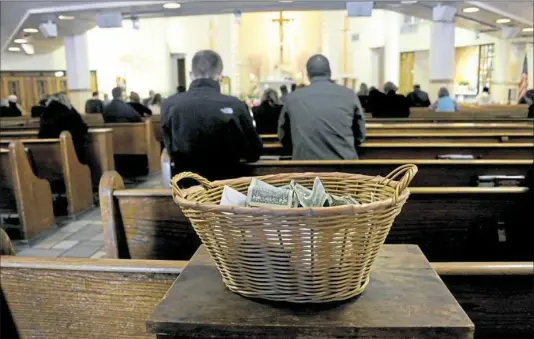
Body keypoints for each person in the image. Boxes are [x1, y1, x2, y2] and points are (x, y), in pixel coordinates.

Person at [162, 50, 262, 180]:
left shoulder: (170, 104)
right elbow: (254, 152)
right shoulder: (235, 105)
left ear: (191, 75)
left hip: (186, 190)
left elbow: (170, 148)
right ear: (220, 76)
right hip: (228, 189)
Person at [278, 54, 366, 160]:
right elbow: (360, 135)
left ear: (308, 74)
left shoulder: (292, 98)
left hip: (305, 168)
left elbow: (283, 136)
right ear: (329, 72)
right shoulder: (349, 95)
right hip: (344, 169)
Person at [38, 93, 89, 164]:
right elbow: (82, 129)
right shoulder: (69, 113)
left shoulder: (46, 114)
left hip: (48, 157)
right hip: (70, 152)